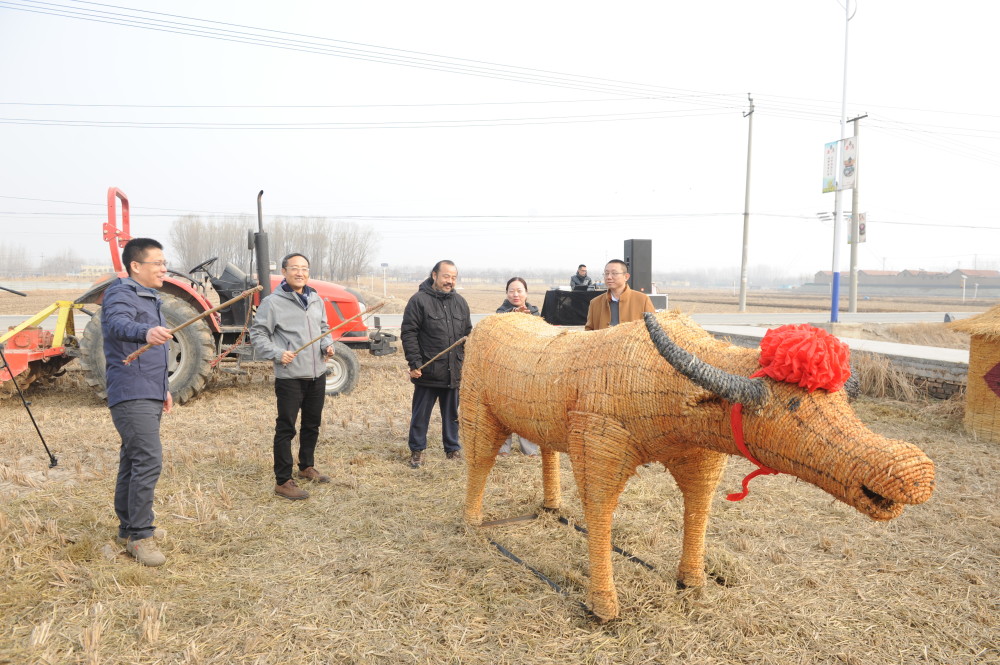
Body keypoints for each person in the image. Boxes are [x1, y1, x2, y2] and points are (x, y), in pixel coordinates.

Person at [103, 237, 173, 567]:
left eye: (164, 262)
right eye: (157, 263)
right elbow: (117, 324)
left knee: (132, 460)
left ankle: (127, 529)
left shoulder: (149, 297)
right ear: (136, 266)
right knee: (148, 459)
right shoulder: (121, 292)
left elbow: (153, 352)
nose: (164, 268)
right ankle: (140, 536)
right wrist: (145, 332)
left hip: (148, 390)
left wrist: (164, 388)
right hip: (130, 391)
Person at [250, 253, 335, 500]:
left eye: (305, 268)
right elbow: (258, 334)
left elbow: (323, 329)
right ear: (284, 272)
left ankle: (306, 466)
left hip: (316, 372)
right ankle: (283, 481)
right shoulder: (272, 302)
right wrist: (277, 353)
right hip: (290, 376)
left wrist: (327, 346)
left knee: (312, 423)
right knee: (286, 428)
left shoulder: (316, 299)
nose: (300, 273)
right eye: (294, 268)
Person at [401, 260, 473, 468]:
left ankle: (452, 448)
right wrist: (414, 363)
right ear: (434, 275)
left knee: (452, 414)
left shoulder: (460, 302)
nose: (450, 281)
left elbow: (467, 335)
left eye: (453, 277)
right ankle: (417, 450)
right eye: (446, 276)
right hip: (428, 371)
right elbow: (409, 333)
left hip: (453, 371)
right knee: (420, 414)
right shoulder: (419, 301)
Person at [495, 277, 541, 457]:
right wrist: (514, 314)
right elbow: (501, 325)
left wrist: (526, 317)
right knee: (504, 408)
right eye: (512, 291)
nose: (516, 294)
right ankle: (503, 448)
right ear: (507, 294)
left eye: (519, 290)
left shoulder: (535, 312)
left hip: (527, 369)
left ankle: (529, 450)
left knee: (527, 409)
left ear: (526, 293)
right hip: (505, 368)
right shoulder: (500, 312)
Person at [585, 259, 655, 331]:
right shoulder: (595, 303)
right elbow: (588, 332)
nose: (609, 277)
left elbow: (654, 329)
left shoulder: (643, 300)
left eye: (614, 273)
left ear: (626, 277)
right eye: (606, 273)